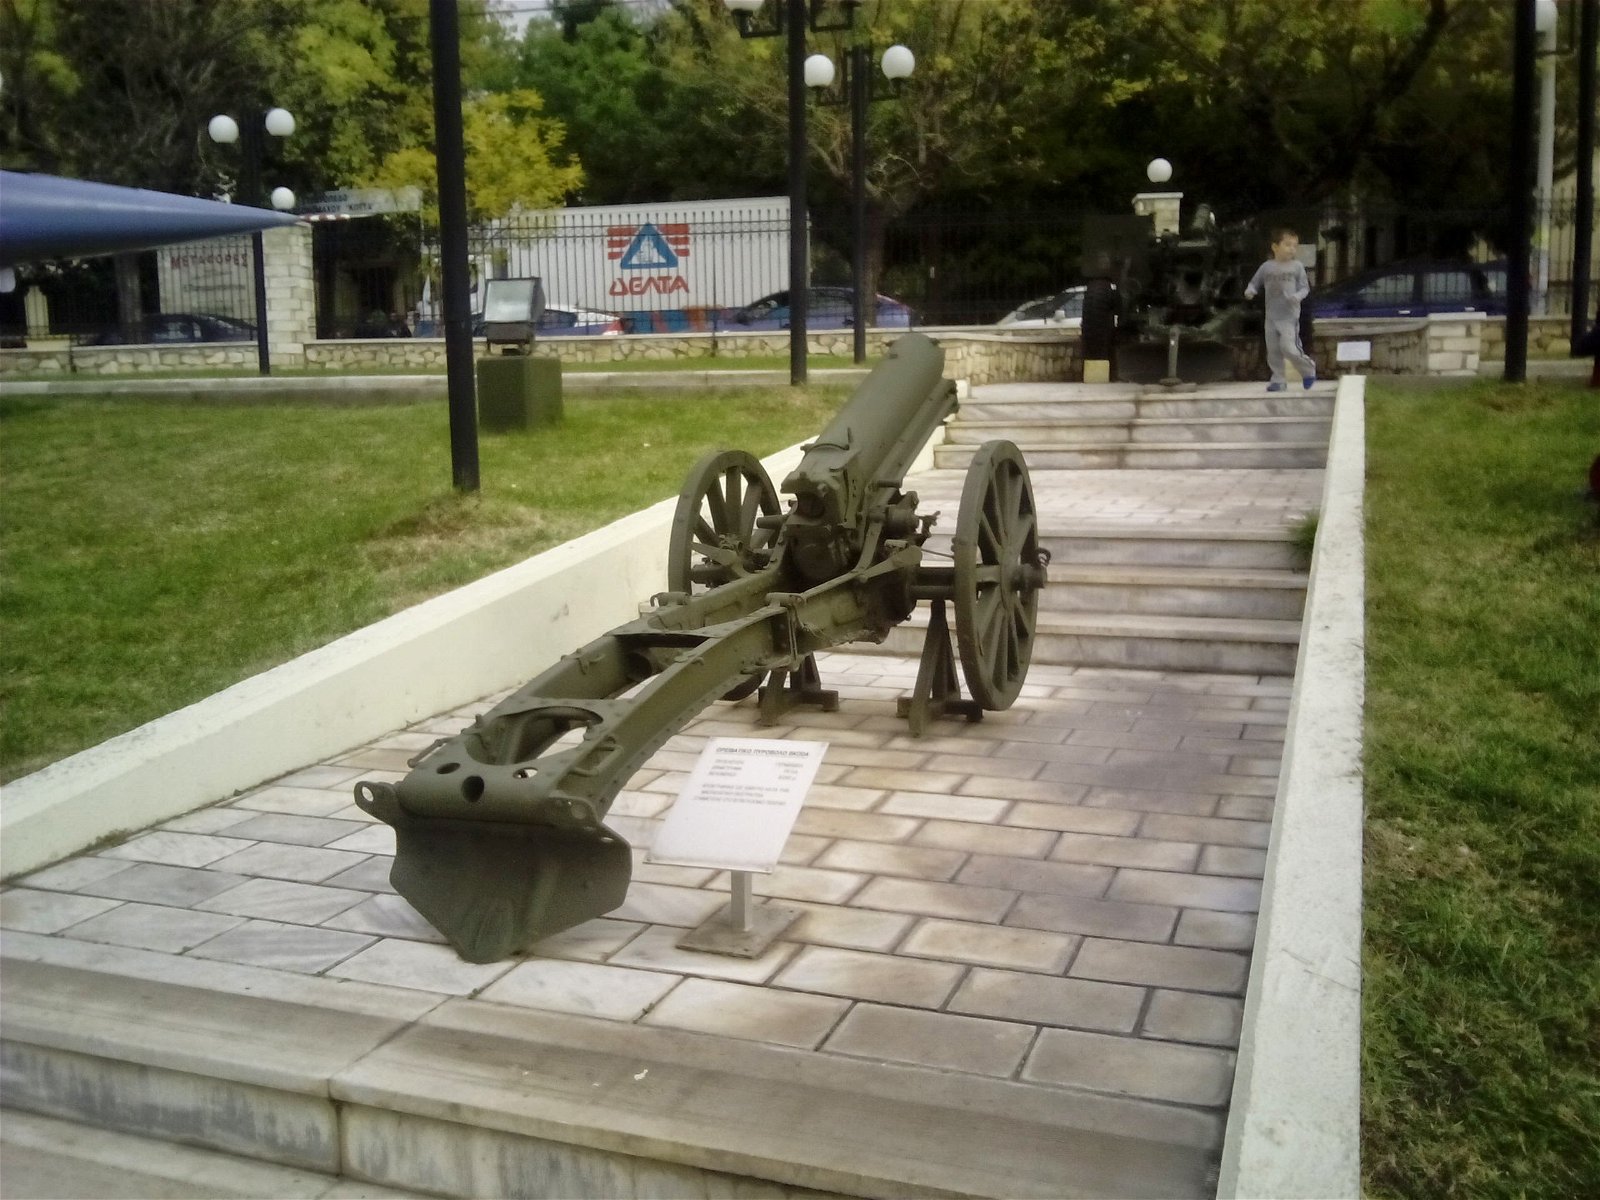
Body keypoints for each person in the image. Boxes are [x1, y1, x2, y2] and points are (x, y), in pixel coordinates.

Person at [1245, 228, 1317, 391]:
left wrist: (1297, 297)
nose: (1292, 249)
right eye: (1287, 245)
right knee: (1273, 350)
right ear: (1275, 247)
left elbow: (1305, 288)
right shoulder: (1266, 267)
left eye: (1294, 246)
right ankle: (1278, 379)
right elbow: (1254, 282)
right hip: (1271, 317)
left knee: (1289, 347)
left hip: (1289, 317)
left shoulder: (1297, 267)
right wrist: (1250, 291)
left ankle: (1307, 369)